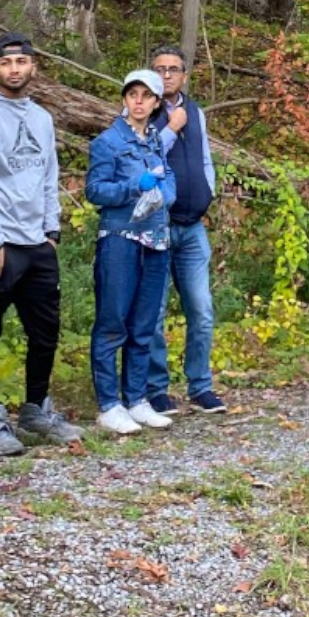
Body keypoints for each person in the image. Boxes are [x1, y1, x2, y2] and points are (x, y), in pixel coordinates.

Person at [0, 33, 82, 456]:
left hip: (37, 242)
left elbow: (49, 175)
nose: (14, 69)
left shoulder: (42, 118)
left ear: (34, 67)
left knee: (45, 329)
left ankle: (36, 408)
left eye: (21, 62)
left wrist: (51, 231)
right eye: (5, 62)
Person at [85, 68, 179, 436]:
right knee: (113, 322)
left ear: (157, 103)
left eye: (146, 96)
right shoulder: (108, 141)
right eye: (132, 94)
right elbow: (96, 190)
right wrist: (133, 187)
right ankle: (109, 403)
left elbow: (168, 179)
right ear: (124, 99)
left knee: (144, 324)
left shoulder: (155, 140)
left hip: (156, 240)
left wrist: (164, 194)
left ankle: (137, 398)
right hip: (120, 238)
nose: (138, 102)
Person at [143, 45, 228, 415]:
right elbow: (141, 157)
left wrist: (208, 189)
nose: (166, 76)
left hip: (193, 228)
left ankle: (200, 385)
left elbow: (205, 157)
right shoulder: (141, 108)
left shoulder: (195, 111)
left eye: (173, 70)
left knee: (202, 309)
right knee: (155, 311)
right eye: (159, 69)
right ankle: (156, 388)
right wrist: (171, 130)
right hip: (158, 226)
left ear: (184, 75)